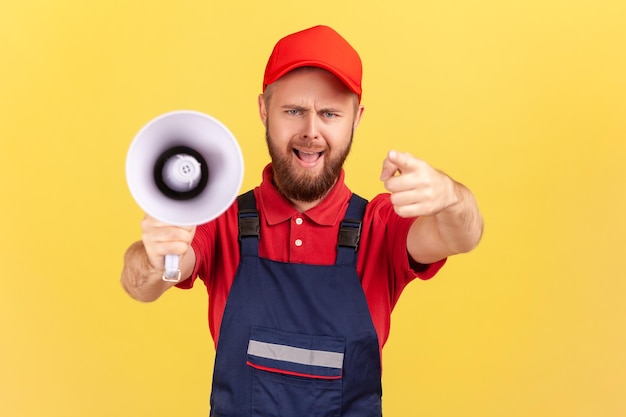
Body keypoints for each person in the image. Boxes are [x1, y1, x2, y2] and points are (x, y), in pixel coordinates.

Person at [121, 25, 483, 417]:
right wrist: (158, 258)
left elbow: (462, 235)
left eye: (330, 113)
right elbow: (142, 286)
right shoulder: (220, 217)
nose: (311, 132)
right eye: (294, 111)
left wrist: (450, 197)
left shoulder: (382, 226)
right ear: (264, 110)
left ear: (356, 119)